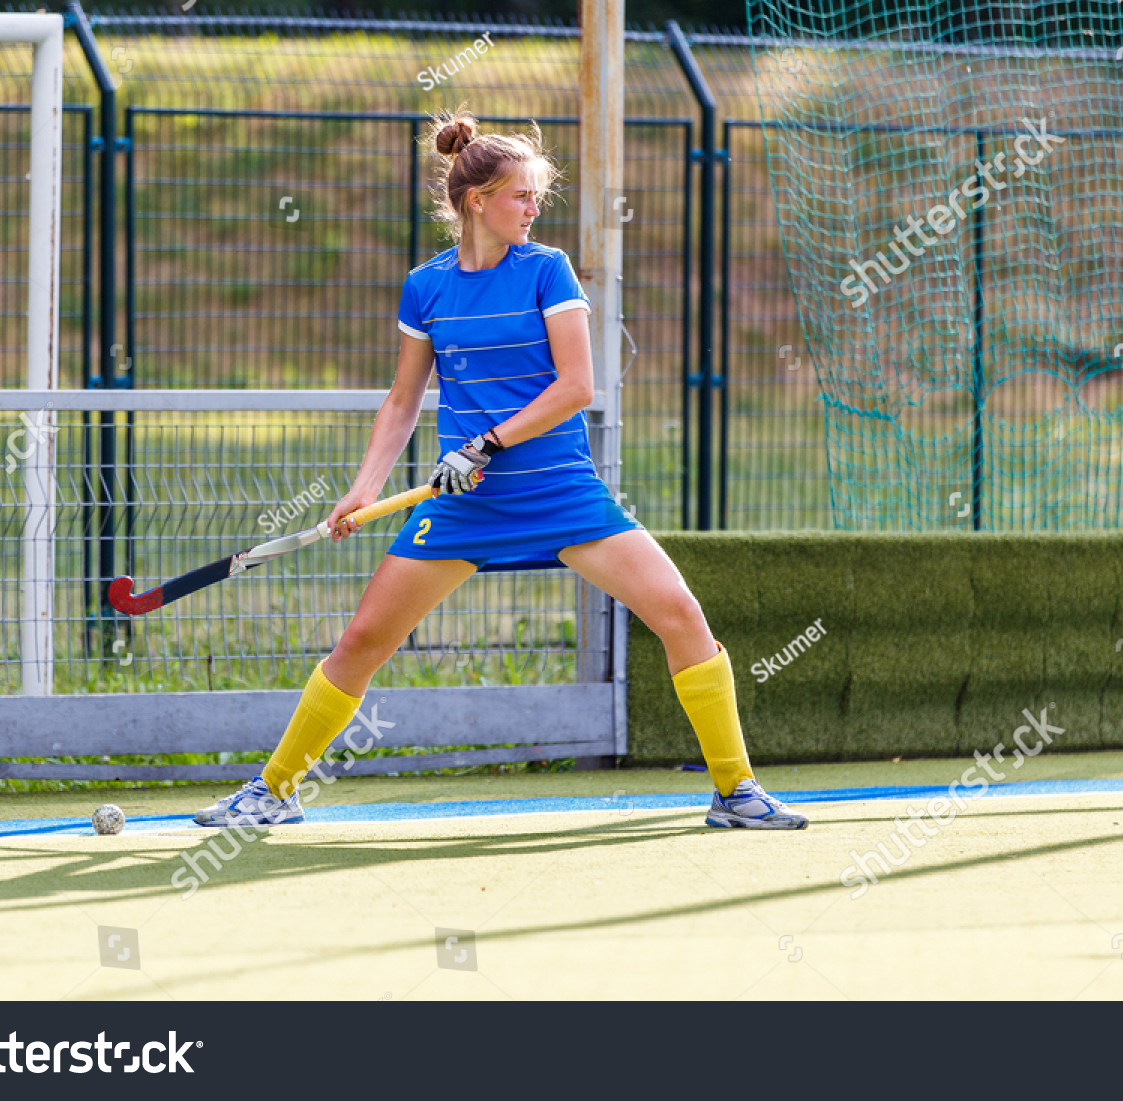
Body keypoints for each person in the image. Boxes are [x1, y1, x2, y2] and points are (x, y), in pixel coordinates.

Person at [194, 111, 806, 831]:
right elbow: (403, 399)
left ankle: (736, 791)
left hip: (558, 490)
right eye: (522, 194)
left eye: (536, 195)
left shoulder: (546, 269)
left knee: (679, 614)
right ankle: (273, 790)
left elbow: (576, 386)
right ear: (477, 200)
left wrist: (485, 442)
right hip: (464, 504)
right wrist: (362, 488)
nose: (534, 207)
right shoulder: (426, 287)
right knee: (362, 642)